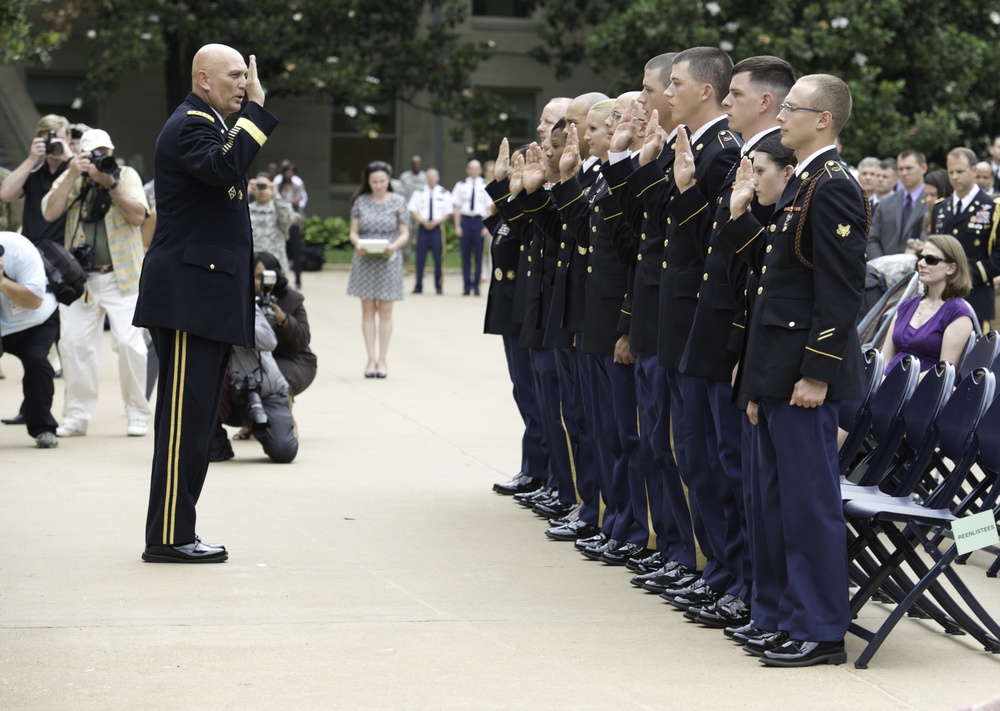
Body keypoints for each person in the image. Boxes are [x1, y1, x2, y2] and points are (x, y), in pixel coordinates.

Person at [722, 74, 868, 667]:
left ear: (824, 119)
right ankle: (783, 614)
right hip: (777, 373)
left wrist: (818, 373)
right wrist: (759, 382)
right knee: (774, 502)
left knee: (808, 506)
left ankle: (820, 627)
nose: (781, 116)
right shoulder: (802, 183)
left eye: (791, 108)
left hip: (805, 378)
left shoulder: (832, 186)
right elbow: (773, 291)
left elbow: (839, 292)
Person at [132, 43, 278, 564]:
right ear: (203, 79)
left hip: (206, 296)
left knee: (196, 423)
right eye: (235, 75)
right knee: (183, 423)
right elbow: (223, 170)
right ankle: (168, 536)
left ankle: (177, 529)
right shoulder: (192, 124)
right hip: (190, 297)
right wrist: (257, 113)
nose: (245, 84)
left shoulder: (212, 123)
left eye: (246, 76)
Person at [40, 128, 151, 438]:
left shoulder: (125, 175)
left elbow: (139, 216)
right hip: (81, 281)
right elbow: (49, 212)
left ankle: (138, 413)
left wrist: (110, 183)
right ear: (81, 156)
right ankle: (76, 416)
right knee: (73, 346)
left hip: (122, 277)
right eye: (92, 154)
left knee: (131, 345)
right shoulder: (74, 178)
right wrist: (72, 174)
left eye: (104, 152)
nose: (99, 159)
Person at [212, 300, 299, 464]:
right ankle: (217, 442)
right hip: (225, 396)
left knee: (284, 450)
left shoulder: (243, 303)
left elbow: (269, 341)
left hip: (262, 393)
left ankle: (285, 423)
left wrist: (230, 323)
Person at [346, 160, 409, 378]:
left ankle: (383, 359)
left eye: (382, 181)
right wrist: (358, 244)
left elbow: (404, 233)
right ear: (368, 182)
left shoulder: (399, 202)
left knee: (386, 311)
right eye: (374, 181)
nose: (379, 185)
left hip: (389, 261)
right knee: (367, 311)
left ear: (388, 180)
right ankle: (370, 359)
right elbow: (353, 232)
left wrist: (394, 246)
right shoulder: (360, 202)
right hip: (365, 260)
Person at [882, 234, 975, 375]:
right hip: (885, 388)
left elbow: (943, 373)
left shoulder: (958, 314)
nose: (921, 263)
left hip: (921, 393)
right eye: (921, 257)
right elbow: (885, 358)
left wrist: (895, 384)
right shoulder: (906, 306)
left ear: (951, 269)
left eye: (931, 260)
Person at [0, 232, 60, 448]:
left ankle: (43, 428)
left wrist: (2, 282)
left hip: (35, 321)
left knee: (36, 362)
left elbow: (34, 300)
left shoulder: (18, 248)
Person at [930, 147, 1000, 330]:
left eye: (960, 171)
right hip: (941, 296)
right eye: (951, 172)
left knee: (976, 355)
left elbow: (998, 257)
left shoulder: (992, 207)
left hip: (976, 294)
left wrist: (965, 275)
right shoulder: (940, 208)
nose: (954, 177)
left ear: (974, 171)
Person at [0, 114, 75, 245]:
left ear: (68, 138)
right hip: (32, 247)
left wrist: (69, 157)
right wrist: (31, 159)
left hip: (65, 250)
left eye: (60, 140)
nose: (54, 146)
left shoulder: (75, 171)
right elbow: (5, 195)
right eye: (49, 141)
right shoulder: (34, 171)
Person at [254, 251, 317, 397]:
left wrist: (284, 320)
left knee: (279, 381)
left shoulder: (291, 299)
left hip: (290, 358)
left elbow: (303, 339)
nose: (258, 283)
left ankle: (284, 420)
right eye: (254, 277)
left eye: (261, 277)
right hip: (249, 359)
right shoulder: (240, 298)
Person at [865, 149, 928, 259]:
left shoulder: (931, 202)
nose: (904, 173)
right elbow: (872, 239)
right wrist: (883, 265)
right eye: (900, 169)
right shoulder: (886, 203)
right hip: (884, 270)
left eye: (909, 168)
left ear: (923, 168)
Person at [407, 168, 451, 294]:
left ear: (438, 178)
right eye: (429, 176)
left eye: (434, 176)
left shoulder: (444, 193)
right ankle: (418, 285)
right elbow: (413, 209)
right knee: (420, 258)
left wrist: (435, 222)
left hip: (437, 229)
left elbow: (448, 212)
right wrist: (422, 221)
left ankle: (438, 286)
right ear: (426, 178)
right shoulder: (419, 193)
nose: (431, 178)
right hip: (422, 228)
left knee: (439, 258)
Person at [452, 159, 491, 295]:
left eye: (476, 169)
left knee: (478, 256)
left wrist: (487, 226)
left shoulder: (485, 185)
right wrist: (457, 226)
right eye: (471, 168)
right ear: (468, 170)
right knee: (466, 255)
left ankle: (477, 286)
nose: (474, 171)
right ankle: (467, 286)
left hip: (479, 222)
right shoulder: (460, 185)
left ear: (480, 170)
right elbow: (456, 207)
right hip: (466, 221)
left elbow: (489, 208)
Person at [248, 172, 298, 273]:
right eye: (259, 186)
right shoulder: (246, 210)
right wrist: (245, 193)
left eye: (265, 186)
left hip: (276, 264)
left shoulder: (279, 209)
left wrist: (276, 194)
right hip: (252, 265)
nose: (262, 190)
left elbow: (289, 218)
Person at [273, 161, 307, 288]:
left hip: (294, 222)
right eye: (287, 171)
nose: (289, 174)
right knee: (282, 250)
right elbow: (275, 201)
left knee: (295, 251)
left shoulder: (297, 186)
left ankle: (298, 280)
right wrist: (289, 203)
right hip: (280, 223)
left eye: (292, 172)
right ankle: (282, 278)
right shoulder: (278, 186)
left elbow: (299, 201)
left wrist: (285, 203)